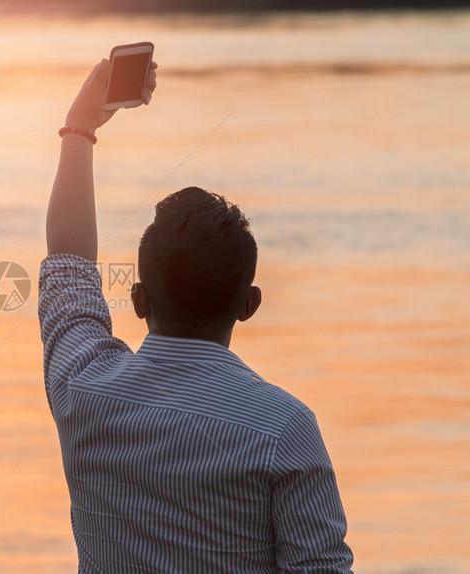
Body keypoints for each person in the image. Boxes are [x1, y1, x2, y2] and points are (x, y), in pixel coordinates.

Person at [38, 58, 354, 573]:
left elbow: (68, 266)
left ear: (139, 302)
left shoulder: (83, 390)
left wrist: (81, 126)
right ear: (249, 306)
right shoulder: (283, 428)